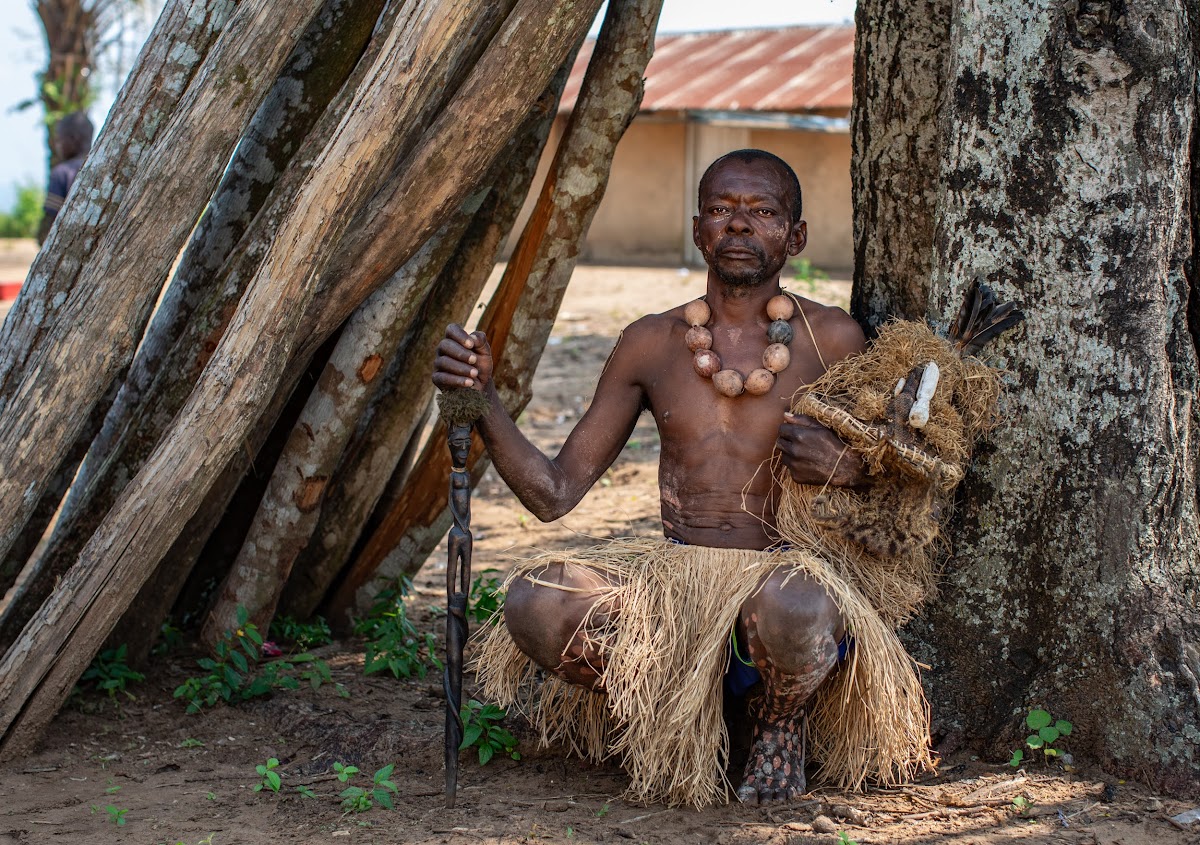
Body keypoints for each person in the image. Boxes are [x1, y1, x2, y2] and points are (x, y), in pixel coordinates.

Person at [433, 150, 874, 806]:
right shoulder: (651, 342)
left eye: (763, 212)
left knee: (793, 603)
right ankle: (678, 709)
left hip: (787, 591)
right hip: (678, 596)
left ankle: (777, 723)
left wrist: (848, 465)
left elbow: (894, 479)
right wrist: (483, 400)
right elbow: (554, 494)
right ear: (699, 230)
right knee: (534, 598)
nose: (739, 225)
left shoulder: (832, 338)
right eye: (722, 210)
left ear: (797, 236)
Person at [38, 112, 94, 245]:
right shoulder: (102, 167)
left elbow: (49, 222)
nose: (57, 145)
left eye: (59, 139)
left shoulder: (61, 173)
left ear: (73, 139)